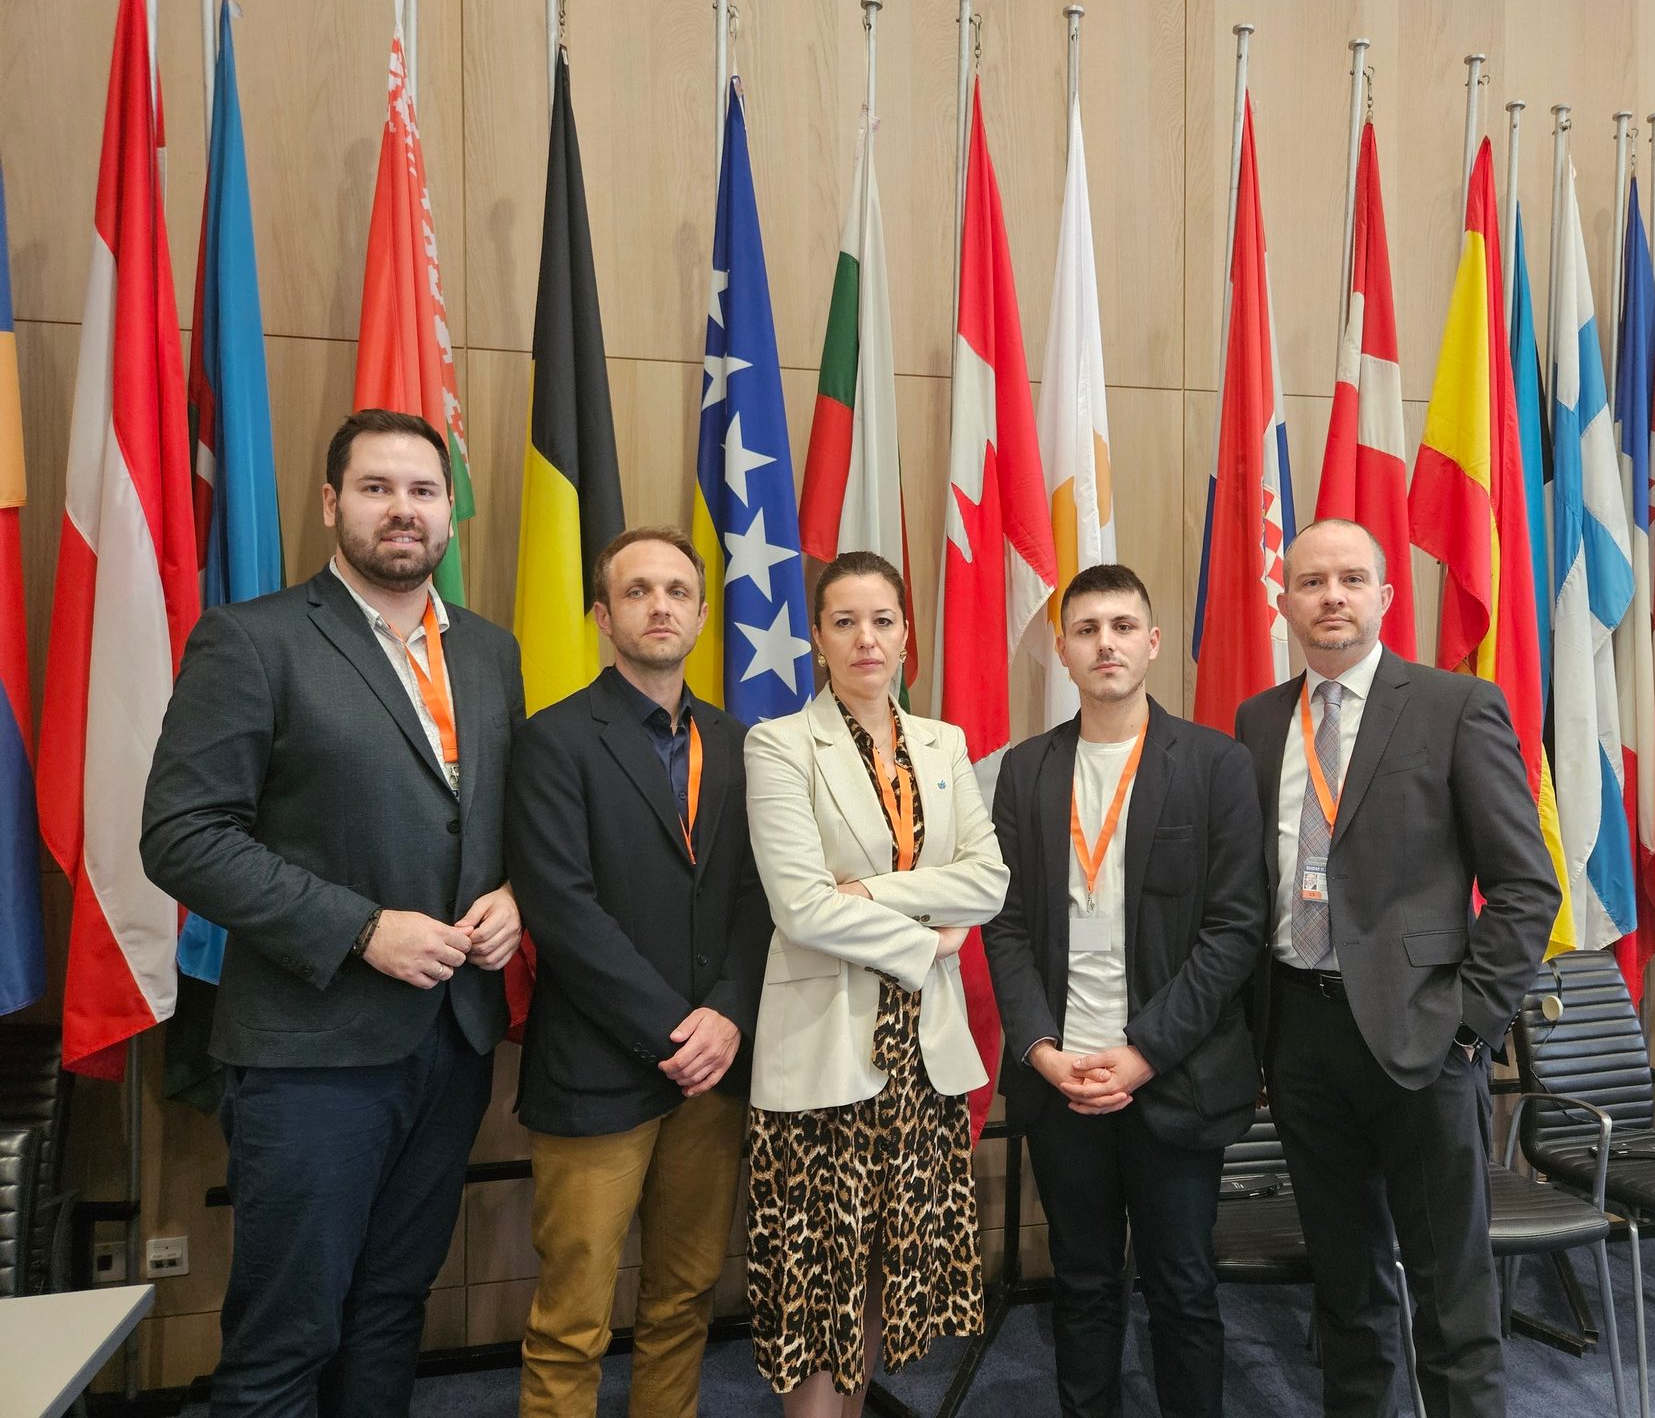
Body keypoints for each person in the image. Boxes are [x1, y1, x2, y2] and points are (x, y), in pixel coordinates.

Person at [141, 409, 525, 1418]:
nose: (404, 511)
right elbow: (183, 838)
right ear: (331, 503)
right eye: (378, 488)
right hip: (311, 1053)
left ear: (449, 512)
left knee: (392, 1307)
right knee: (286, 1334)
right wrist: (361, 928)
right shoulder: (253, 641)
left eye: (423, 491)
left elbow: (494, 818)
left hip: (452, 1041)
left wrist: (514, 895)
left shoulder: (489, 654)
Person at [1236, 518, 1559, 1418]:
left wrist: (1469, 1023)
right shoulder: (1260, 720)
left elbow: (1528, 886)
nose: (1329, 596)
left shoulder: (1457, 704)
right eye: (1310, 582)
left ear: (1384, 596)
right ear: (1285, 601)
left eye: (1350, 579)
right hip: (1298, 1034)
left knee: (1451, 1290)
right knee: (1346, 1285)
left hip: (1423, 1034)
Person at [983, 564, 1266, 1418]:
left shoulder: (1218, 765)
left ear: (1150, 643)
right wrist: (1039, 1049)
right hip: (1060, 1076)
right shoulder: (1024, 772)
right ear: (1062, 651)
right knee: (1083, 1285)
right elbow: (1005, 927)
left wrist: (1142, 1053)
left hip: (1173, 1075)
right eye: (1085, 629)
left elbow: (1233, 931)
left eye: (1121, 625)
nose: (1104, 642)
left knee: (1183, 1288)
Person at [506, 526, 772, 1417]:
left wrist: (728, 1015)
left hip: (715, 1075)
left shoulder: (742, 745)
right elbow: (562, 911)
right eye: (636, 591)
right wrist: (677, 1033)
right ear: (601, 616)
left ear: (700, 615)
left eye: (676, 591)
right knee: (571, 1318)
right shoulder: (552, 740)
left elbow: (755, 902)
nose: (660, 605)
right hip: (599, 1072)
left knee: (683, 1300)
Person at [741, 550, 1009, 1417]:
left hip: (920, 1063)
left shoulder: (944, 743)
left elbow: (988, 881)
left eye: (883, 620)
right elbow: (801, 910)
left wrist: (871, 896)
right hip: (823, 1056)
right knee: (815, 1285)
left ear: (905, 635)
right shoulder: (778, 744)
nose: (866, 639)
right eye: (845, 621)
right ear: (817, 638)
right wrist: (927, 943)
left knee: (880, 1277)